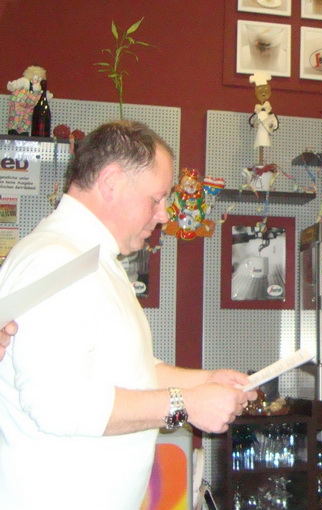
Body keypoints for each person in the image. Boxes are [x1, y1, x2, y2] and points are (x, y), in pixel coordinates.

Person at [0, 120, 258, 509]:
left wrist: (204, 382)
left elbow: (125, 369)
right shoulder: (56, 262)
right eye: (156, 199)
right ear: (111, 182)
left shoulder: (92, 260)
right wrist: (185, 405)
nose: (163, 215)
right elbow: (59, 404)